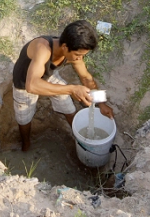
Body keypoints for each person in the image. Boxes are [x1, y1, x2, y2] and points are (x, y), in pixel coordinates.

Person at [12, 20, 114, 151]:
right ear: (65, 47)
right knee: (24, 116)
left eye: (83, 55)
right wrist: (72, 89)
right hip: (25, 81)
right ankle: (26, 145)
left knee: (68, 105)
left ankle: (79, 137)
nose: (79, 58)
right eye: (78, 55)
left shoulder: (74, 52)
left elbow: (86, 78)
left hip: (48, 75)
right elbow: (31, 85)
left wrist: (102, 103)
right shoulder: (43, 48)